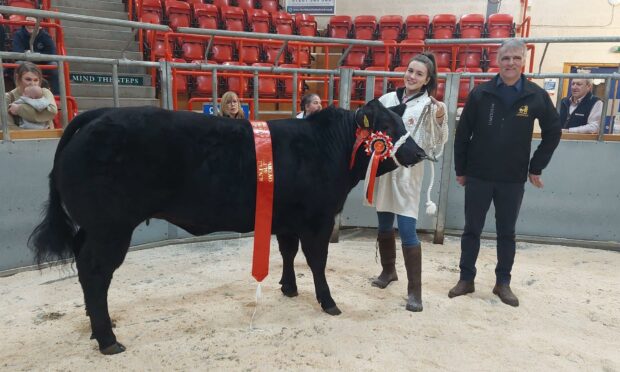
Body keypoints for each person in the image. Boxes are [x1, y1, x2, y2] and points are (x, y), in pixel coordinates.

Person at [450, 39, 561, 307]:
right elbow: (463, 134)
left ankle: (503, 283)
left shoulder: (535, 95)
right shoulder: (481, 94)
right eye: (505, 58)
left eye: (516, 58)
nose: (510, 63)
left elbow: (553, 131)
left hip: (512, 177)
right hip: (478, 175)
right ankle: (466, 279)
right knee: (471, 230)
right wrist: (461, 169)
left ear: (523, 61)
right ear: (497, 61)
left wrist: (536, 166)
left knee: (506, 232)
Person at [372, 52, 449, 312]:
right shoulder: (388, 99)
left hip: (408, 172)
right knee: (383, 221)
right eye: (410, 70)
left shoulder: (431, 106)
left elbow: (439, 141)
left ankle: (415, 291)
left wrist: (440, 120)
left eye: (419, 74)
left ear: (427, 80)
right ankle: (388, 271)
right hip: (384, 168)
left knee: (406, 227)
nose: (412, 76)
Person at [12, 17, 60, 94]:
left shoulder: (45, 36)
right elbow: (17, 53)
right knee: (18, 64)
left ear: (39, 25)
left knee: (55, 65)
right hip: (25, 65)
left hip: (41, 64)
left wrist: (32, 55)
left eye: (33, 23)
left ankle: (56, 96)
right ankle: (18, 94)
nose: (30, 25)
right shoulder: (18, 34)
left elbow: (52, 54)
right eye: (28, 22)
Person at [5, 61, 58, 130]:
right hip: (21, 139)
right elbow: (9, 126)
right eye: (28, 79)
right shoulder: (8, 97)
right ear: (18, 78)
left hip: (46, 137)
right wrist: (33, 136)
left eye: (36, 80)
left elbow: (52, 112)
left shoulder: (45, 92)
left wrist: (19, 109)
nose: (32, 84)